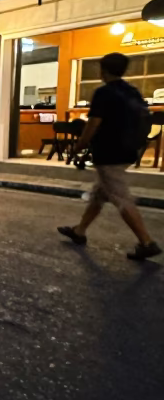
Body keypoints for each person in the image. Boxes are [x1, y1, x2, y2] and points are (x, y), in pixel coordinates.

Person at [57, 52, 161, 260]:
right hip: (129, 150)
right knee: (100, 194)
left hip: (109, 152)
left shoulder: (103, 93)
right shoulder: (132, 91)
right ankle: (79, 231)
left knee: (120, 197)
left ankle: (146, 242)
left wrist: (79, 146)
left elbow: (93, 124)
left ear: (103, 70)